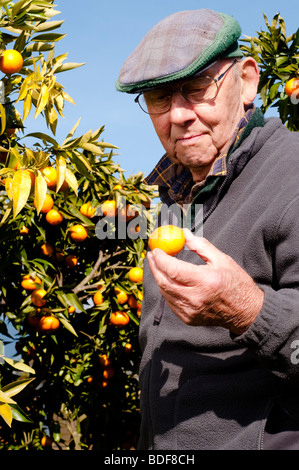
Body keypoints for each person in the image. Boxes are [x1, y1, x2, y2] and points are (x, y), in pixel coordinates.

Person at [116, 9, 299, 450]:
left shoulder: (292, 173)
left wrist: (247, 309)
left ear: (248, 80)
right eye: (159, 98)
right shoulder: (173, 199)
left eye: (196, 90)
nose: (178, 115)